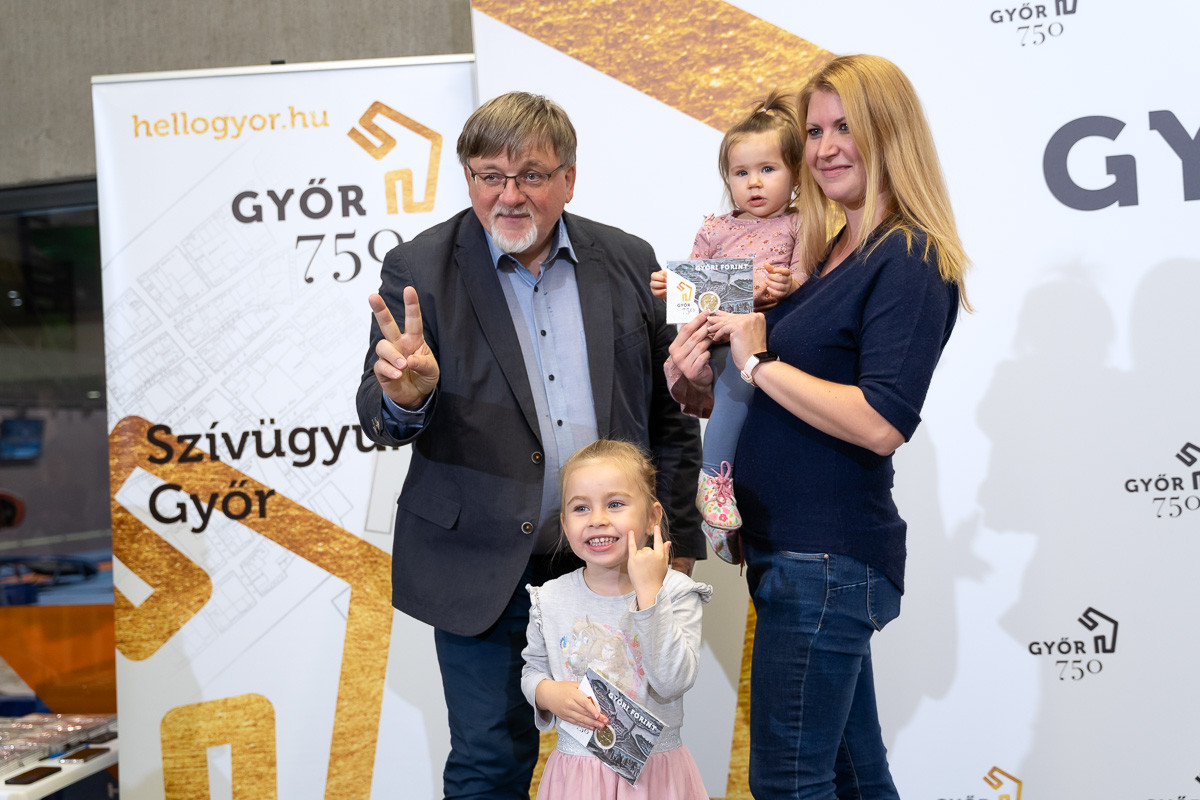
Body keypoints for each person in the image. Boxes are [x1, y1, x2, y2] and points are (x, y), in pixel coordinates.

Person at [355, 92, 704, 800]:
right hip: (480, 565)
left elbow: (669, 413)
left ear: (568, 179)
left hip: (611, 567)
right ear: (468, 178)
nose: (509, 196)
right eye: (490, 176)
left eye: (532, 176)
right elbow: (377, 411)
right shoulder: (419, 266)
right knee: (489, 766)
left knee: (621, 761)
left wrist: (679, 542)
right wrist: (407, 396)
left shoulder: (629, 259)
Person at [668, 54, 971, 799]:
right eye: (814, 131)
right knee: (854, 777)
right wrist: (701, 380)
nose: (827, 147)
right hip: (789, 550)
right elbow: (781, 394)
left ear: (890, 132)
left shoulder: (909, 258)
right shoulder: (828, 252)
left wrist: (760, 361)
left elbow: (880, 422)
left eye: (846, 128)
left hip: (825, 557)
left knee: (788, 784)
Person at [649, 91, 806, 564]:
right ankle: (714, 483)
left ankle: (724, 499)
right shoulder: (715, 229)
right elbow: (695, 289)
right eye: (741, 173)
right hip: (718, 340)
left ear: (796, 174)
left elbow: (806, 278)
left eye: (768, 169)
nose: (754, 183)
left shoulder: (801, 224)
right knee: (735, 389)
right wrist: (672, 285)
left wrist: (787, 283)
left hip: (769, 340)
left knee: (757, 417)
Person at [521, 439, 711, 800]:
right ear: (564, 523)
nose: (597, 519)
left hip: (656, 781)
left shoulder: (677, 592)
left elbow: (672, 682)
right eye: (581, 508)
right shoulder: (550, 598)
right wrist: (547, 693)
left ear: (652, 516)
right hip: (577, 780)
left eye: (615, 504)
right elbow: (533, 671)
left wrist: (649, 595)